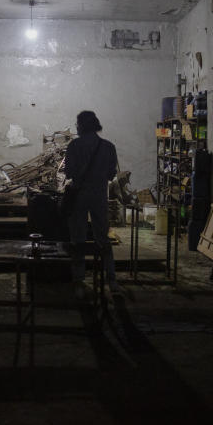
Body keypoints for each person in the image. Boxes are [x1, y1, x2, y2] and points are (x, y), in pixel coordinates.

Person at [64, 110, 121, 298]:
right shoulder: (108, 147)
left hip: (79, 197)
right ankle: (111, 279)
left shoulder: (74, 146)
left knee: (78, 239)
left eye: (77, 124)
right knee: (103, 238)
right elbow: (111, 175)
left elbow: (69, 173)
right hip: (99, 196)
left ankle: (79, 280)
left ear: (81, 125)